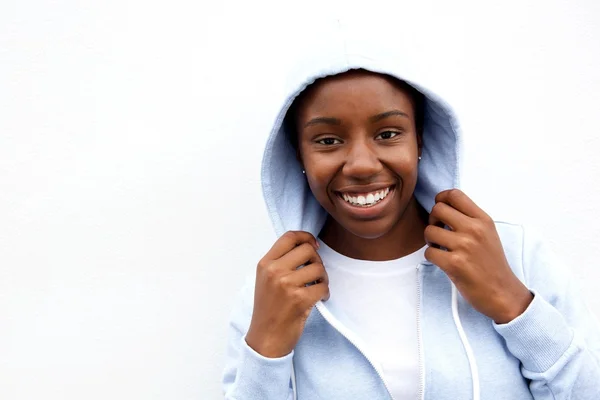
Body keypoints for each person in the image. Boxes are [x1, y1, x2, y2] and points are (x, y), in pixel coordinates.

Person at [221, 48, 600, 399]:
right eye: (328, 140)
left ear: (420, 140)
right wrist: (266, 351)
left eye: (387, 134)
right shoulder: (274, 292)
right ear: (297, 155)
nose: (362, 165)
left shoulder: (517, 257)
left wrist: (514, 305)